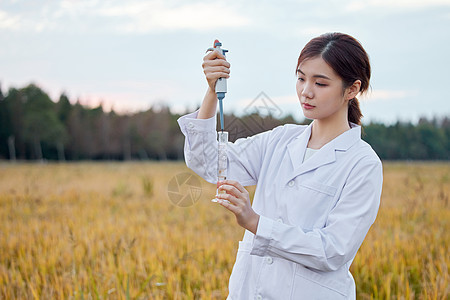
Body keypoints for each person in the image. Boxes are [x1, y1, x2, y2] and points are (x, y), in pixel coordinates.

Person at [177, 32, 383, 300]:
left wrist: (255, 222)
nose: (306, 91)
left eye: (320, 83)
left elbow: (333, 250)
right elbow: (207, 162)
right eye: (300, 78)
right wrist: (212, 91)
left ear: (352, 89)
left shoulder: (362, 164)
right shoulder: (280, 139)